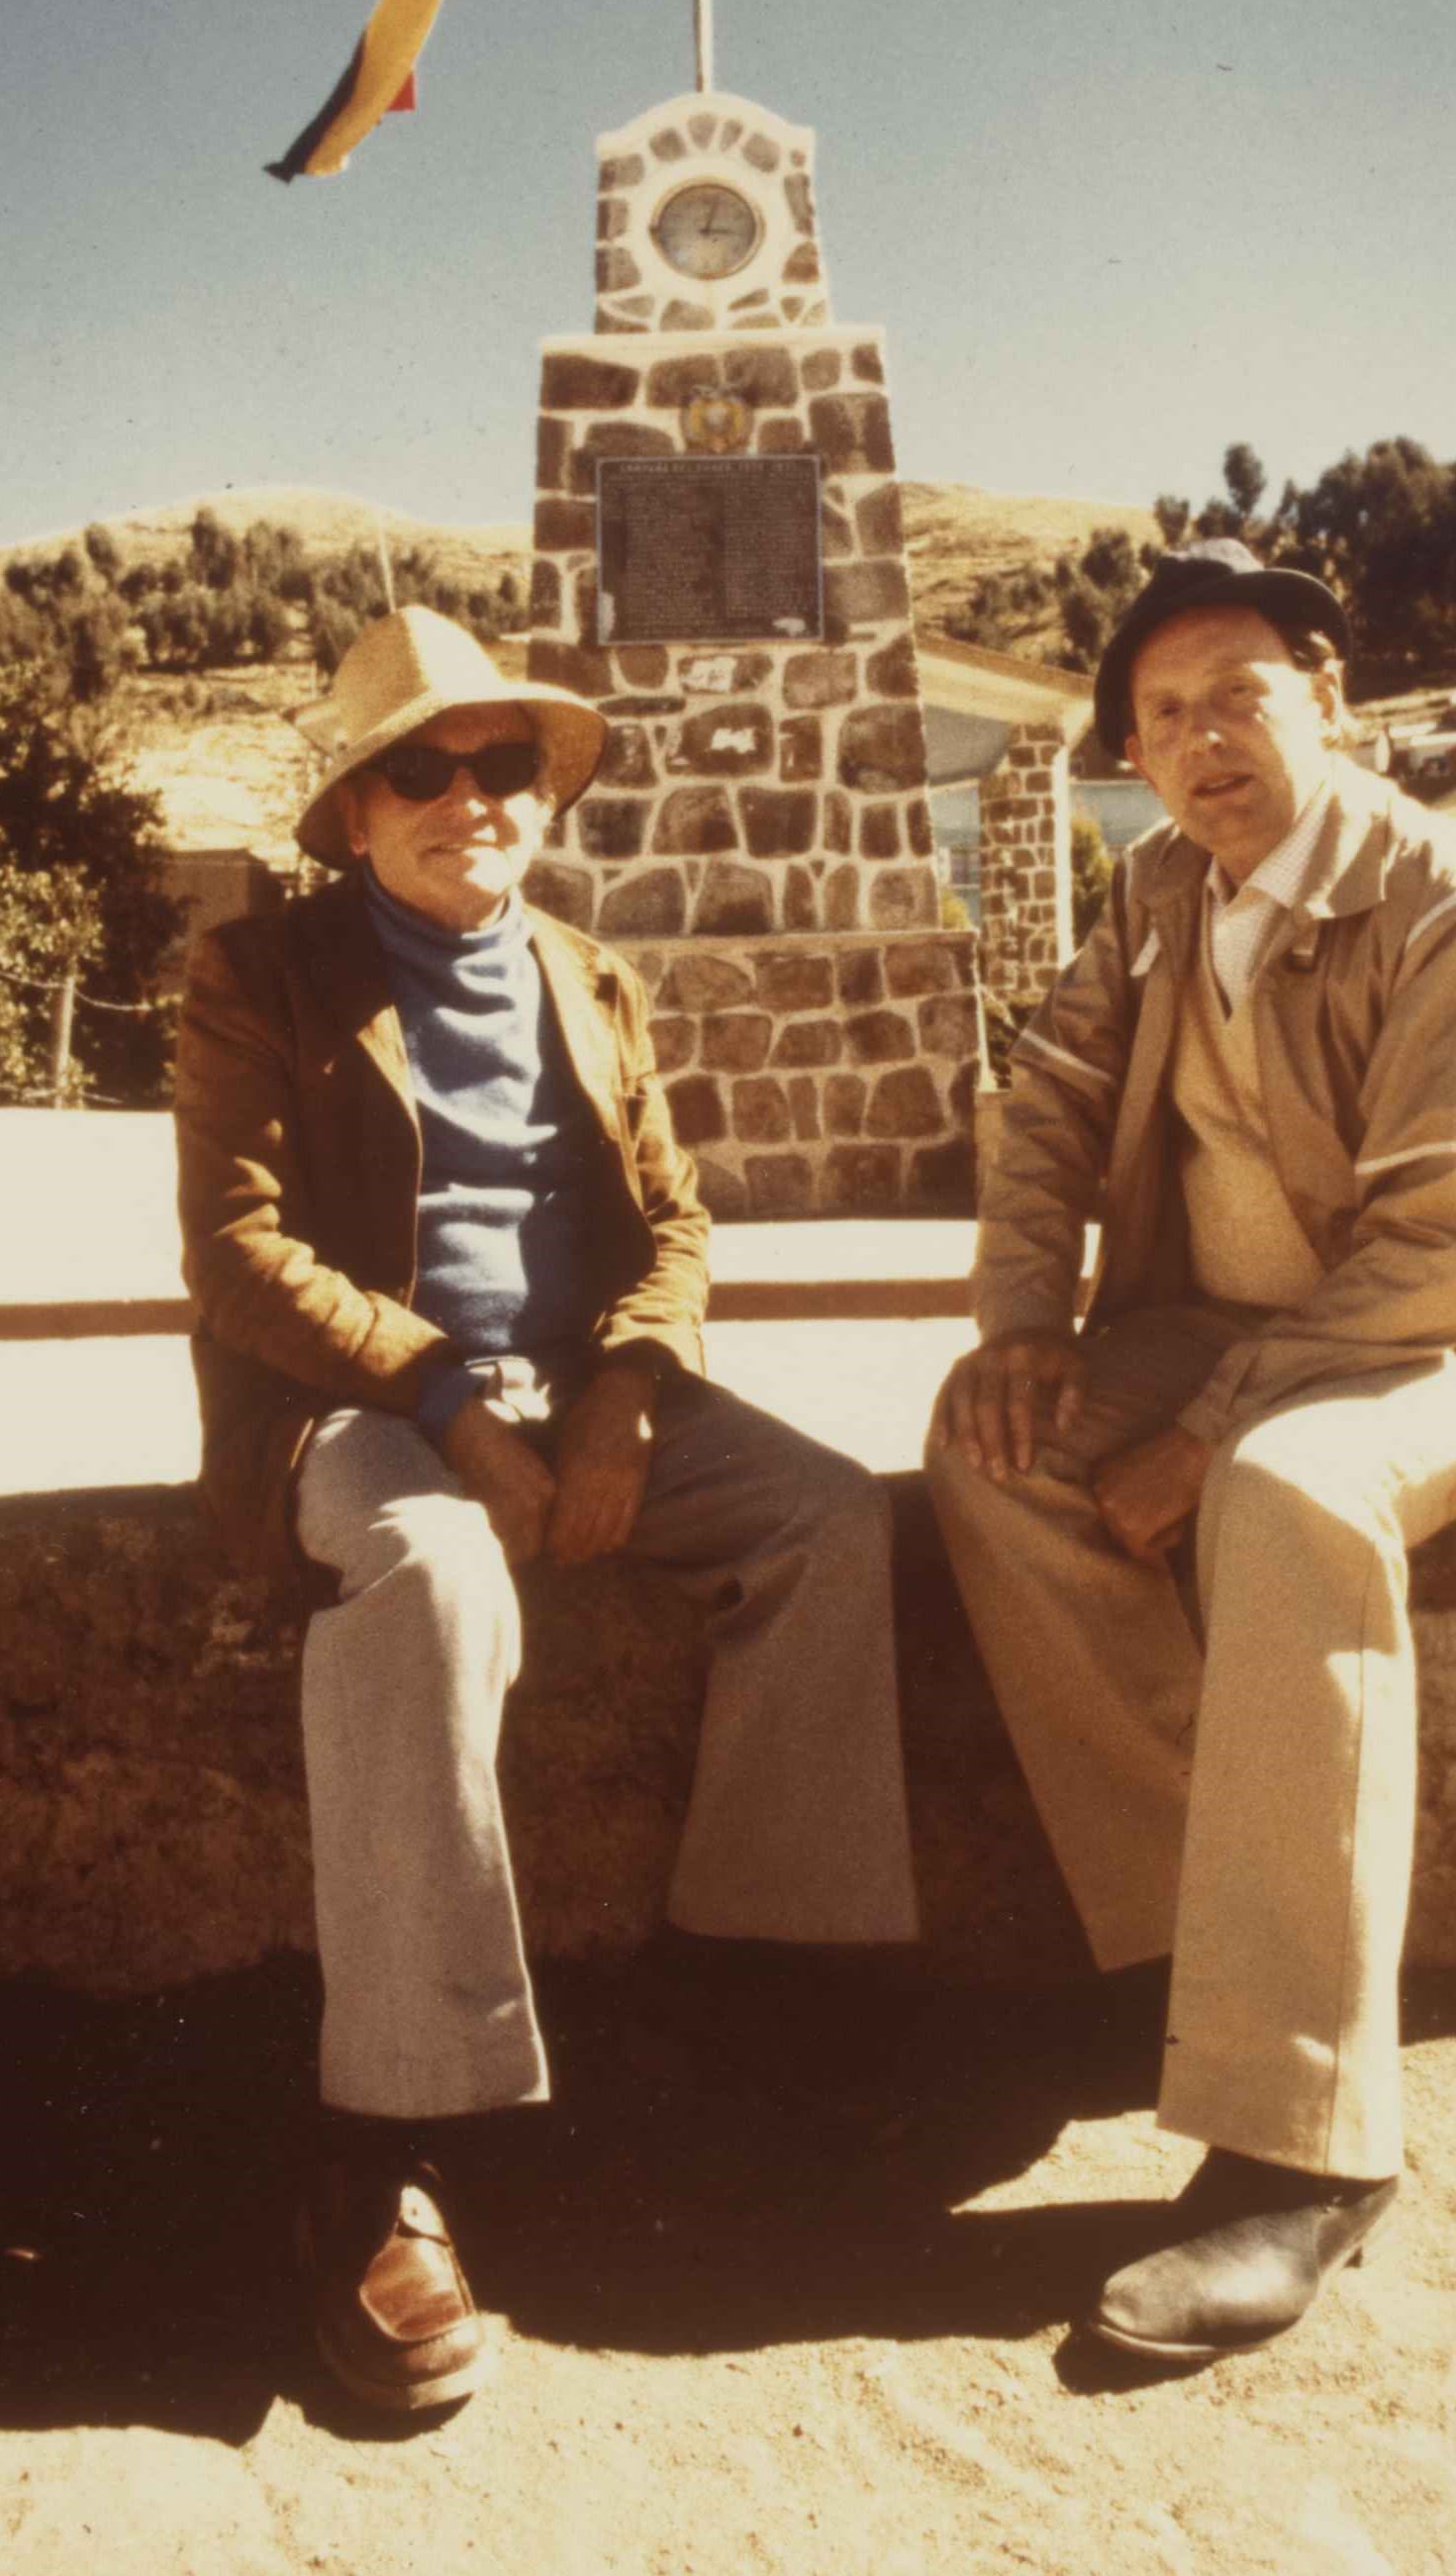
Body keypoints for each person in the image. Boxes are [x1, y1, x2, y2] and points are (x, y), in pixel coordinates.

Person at [174, 605, 917, 2419]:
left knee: (831, 1525)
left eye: (501, 761)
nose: (470, 798)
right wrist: (446, 1398)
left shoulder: (591, 975)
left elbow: (677, 1223)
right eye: (418, 768)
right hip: (363, 1406)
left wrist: (629, 1396)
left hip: (588, 1393)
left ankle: (749, 1994)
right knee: (433, 1577)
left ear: (544, 793)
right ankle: (385, 2146)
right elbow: (239, 1251)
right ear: (356, 810)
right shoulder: (259, 974)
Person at [925, 533, 1456, 2377]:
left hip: (1453, 1339)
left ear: (1329, 699)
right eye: (1162, 716)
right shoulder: (1163, 889)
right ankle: (1202, 1960)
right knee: (990, 1444)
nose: (1200, 741)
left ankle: (1311, 2142)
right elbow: (1048, 1105)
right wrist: (1023, 1320)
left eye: (1237, 696)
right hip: (1228, 1330)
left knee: (1294, 1491)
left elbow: (1447, 1237)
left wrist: (1213, 1426)